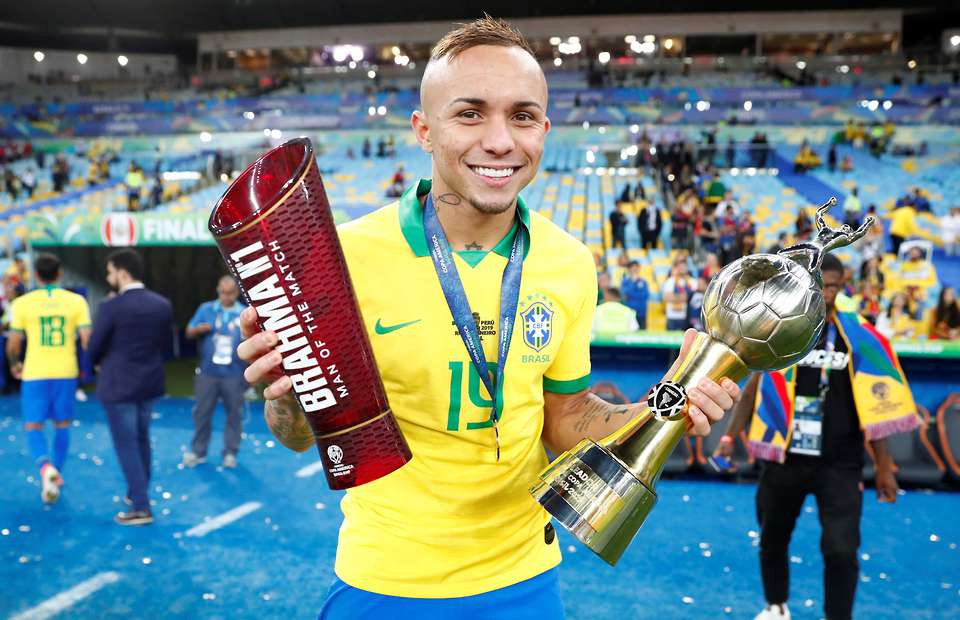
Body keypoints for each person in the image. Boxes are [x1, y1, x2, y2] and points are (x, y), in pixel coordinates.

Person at [234, 17, 740, 618]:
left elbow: (566, 416)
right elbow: (298, 437)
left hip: (525, 578)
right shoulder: (340, 260)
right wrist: (286, 396)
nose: (500, 141)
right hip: (384, 580)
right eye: (470, 114)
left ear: (543, 131)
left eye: (522, 116)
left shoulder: (568, 262)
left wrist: (663, 409)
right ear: (425, 130)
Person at [714, 254, 917, 620]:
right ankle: (776, 606)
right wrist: (730, 437)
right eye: (822, 286)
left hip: (840, 462)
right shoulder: (780, 329)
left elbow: (875, 405)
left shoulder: (860, 337)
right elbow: (755, 386)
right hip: (784, 457)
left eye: (835, 286)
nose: (827, 294)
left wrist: (884, 465)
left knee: (841, 550)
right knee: (772, 538)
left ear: (843, 286)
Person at [88, 249, 173, 526]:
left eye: (110, 272)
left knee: (127, 444)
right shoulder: (162, 304)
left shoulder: (111, 307)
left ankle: (140, 506)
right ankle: (137, 492)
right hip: (149, 382)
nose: (108, 277)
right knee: (141, 439)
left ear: (122, 273)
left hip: (118, 384)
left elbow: (94, 347)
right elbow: (163, 345)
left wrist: (97, 362)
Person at [5, 254, 91, 503]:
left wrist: (14, 365)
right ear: (59, 273)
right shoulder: (77, 301)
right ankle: (55, 474)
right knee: (62, 425)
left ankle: (45, 468)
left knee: (34, 426)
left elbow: (13, 343)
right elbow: (88, 340)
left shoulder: (22, 303)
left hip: (35, 372)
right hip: (65, 371)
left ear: (36, 275)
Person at [181, 276, 248, 469]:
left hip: (234, 373)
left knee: (234, 414)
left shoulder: (244, 314)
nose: (226, 296)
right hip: (207, 373)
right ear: (218, 291)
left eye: (230, 293)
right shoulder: (206, 309)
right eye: (223, 292)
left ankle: (230, 452)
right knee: (201, 412)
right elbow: (188, 331)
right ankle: (198, 451)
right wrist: (199, 329)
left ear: (236, 292)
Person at [662, 257, 694, 331]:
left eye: (684, 266)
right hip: (672, 316)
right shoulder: (670, 281)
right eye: (680, 267)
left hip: (686, 317)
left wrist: (675, 297)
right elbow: (667, 297)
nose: (682, 269)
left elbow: (691, 298)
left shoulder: (691, 281)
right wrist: (683, 297)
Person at [619, 261, 649, 329]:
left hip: (641, 312)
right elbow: (624, 295)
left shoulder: (643, 282)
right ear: (629, 270)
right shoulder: (625, 282)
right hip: (628, 312)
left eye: (636, 269)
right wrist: (633, 282)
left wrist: (631, 295)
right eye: (633, 269)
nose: (635, 271)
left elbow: (645, 296)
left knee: (642, 332)